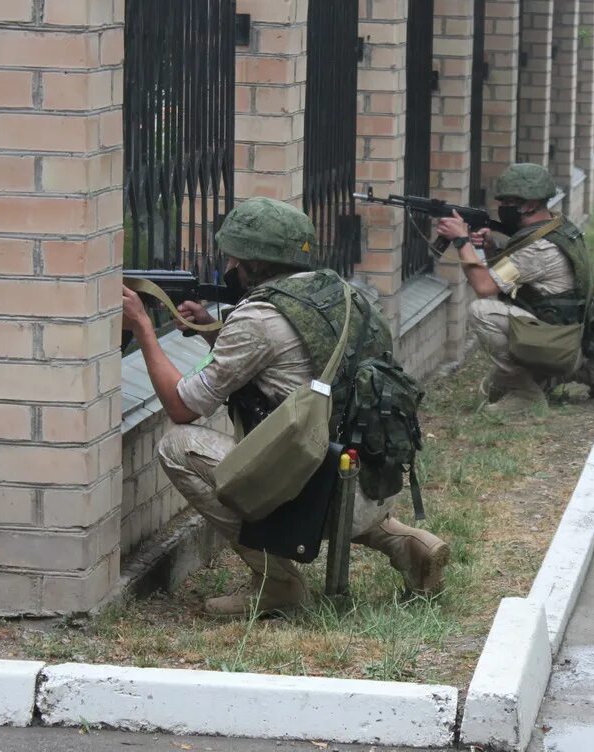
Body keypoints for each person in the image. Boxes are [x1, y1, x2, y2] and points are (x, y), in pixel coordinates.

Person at [121, 197, 449, 617]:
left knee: (178, 446)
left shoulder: (258, 317)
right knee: (324, 447)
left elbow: (183, 407)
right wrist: (209, 331)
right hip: (370, 482)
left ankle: (279, 584)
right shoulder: (343, 294)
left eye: (234, 259)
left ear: (253, 263)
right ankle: (406, 541)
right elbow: (278, 364)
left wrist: (144, 328)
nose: (229, 268)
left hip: (316, 500)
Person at [435, 163, 594, 413]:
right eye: (503, 201)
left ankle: (528, 396)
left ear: (531, 204)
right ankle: (577, 368)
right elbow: (523, 276)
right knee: (492, 390)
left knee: (481, 310)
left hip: (557, 341)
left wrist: (461, 241)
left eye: (511, 202)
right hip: (566, 333)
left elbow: (484, 287)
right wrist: (491, 249)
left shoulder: (539, 248)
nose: (503, 208)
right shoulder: (557, 226)